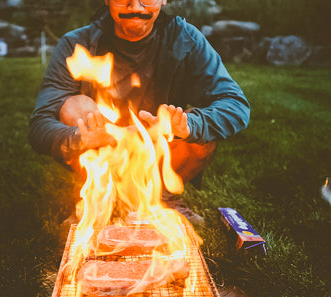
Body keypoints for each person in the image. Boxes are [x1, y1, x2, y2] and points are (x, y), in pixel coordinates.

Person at [29, 0, 250, 193]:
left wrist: (189, 125)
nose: (135, 6)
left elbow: (236, 104)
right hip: (104, 148)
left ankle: (163, 198)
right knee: (74, 106)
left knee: (198, 129)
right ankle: (104, 196)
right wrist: (79, 137)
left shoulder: (186, 40)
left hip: (161, 149)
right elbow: (40, 125)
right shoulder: (77, 44)